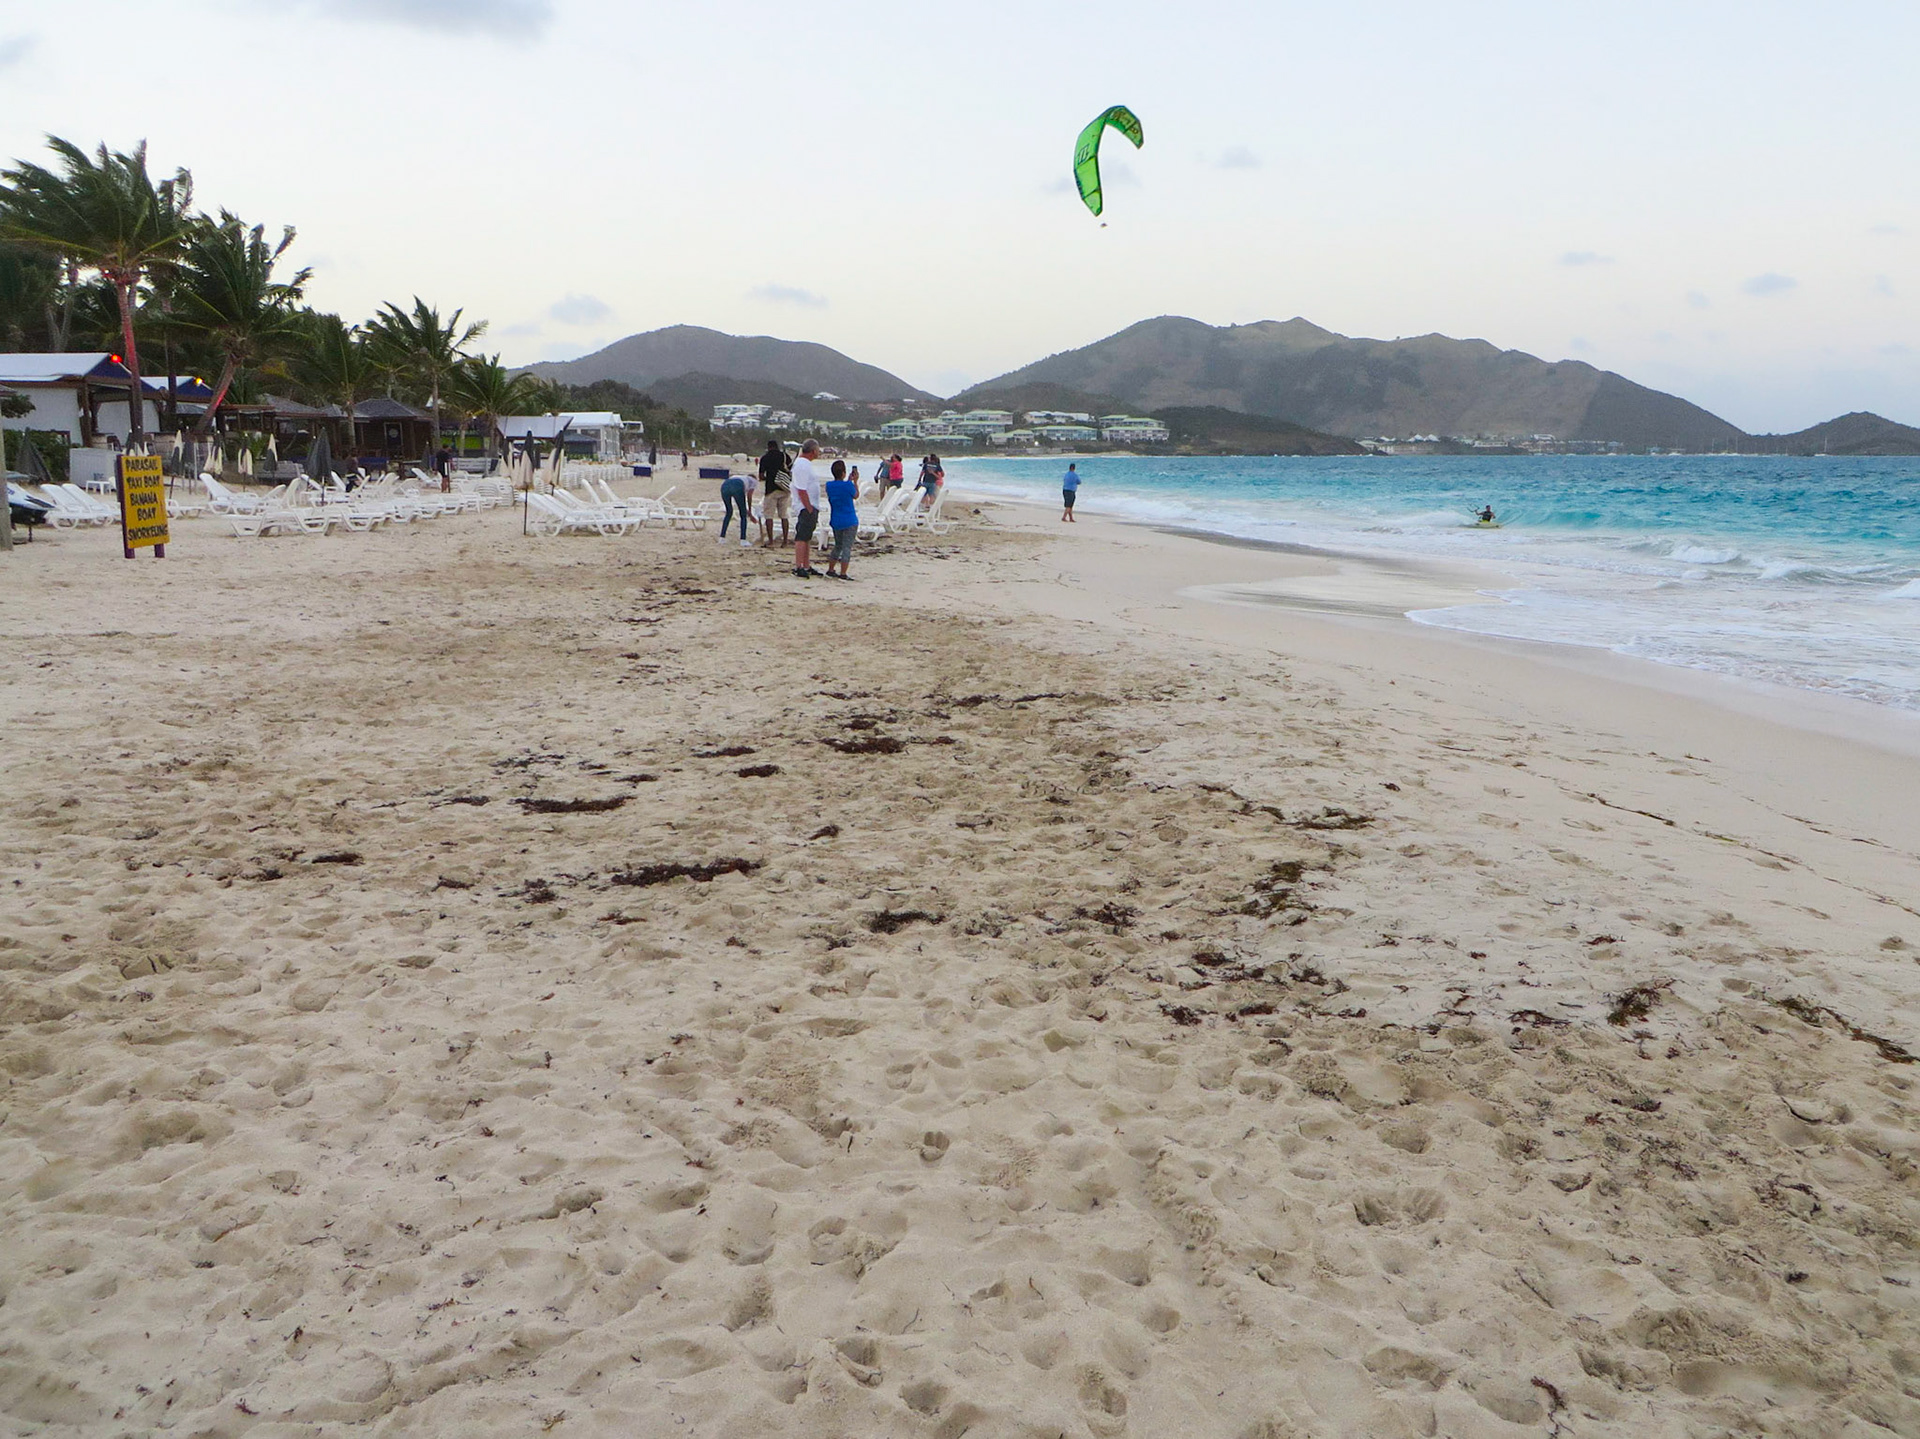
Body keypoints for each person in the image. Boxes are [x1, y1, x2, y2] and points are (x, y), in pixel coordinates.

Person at [790, 439, 824, 578]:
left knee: (807, 536)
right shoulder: (802, 465)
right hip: (805, 506)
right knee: (802, 536)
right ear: (813, 451)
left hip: (810, 505)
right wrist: (808, 507)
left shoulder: (805, 464)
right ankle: (799, 566)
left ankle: (806, 564)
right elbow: (801, 489)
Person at [823, 459, 859, 579]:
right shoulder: (848, 485)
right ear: (843, 473)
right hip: (849, 519)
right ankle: (843, 573)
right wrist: (855, 482)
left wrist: (849, 481)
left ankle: (831, 569)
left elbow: (840, 491)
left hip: (836, 519)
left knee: (838, 545)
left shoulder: (829, 486)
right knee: (846, 547)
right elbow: (855, 495)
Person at [758, 439, 792, 547]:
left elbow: (761, 475)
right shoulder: (784, 456)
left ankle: (771, 541)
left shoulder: (765, 458)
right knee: (784, 515)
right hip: (784, 488)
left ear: (768, 447)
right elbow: (791, 470)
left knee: (769, 516)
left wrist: (768, 478)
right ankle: (785, 541)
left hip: (771, 489)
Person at [719, 469, 751, 547]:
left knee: (729, 512)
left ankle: (722, 537)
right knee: (743, 515)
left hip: (725, 485)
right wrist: (749, 509)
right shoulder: (753, 481)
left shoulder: (738, 476)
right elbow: (749, 496)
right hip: (737, 486)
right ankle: (743, 539)